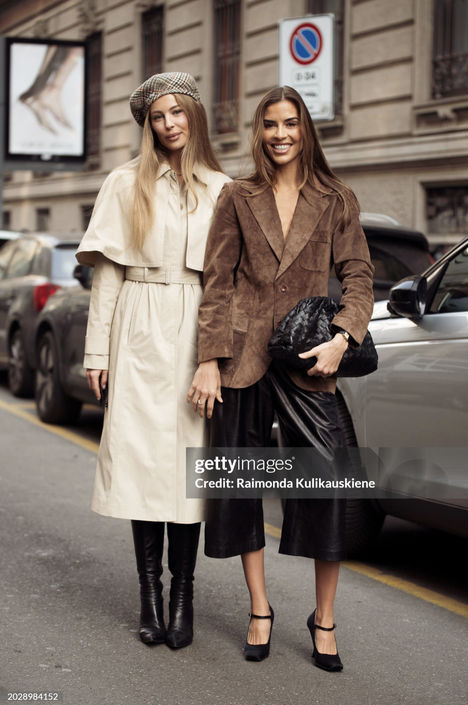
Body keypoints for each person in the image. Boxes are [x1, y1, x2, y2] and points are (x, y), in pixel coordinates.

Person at [188, 86, 374, 670]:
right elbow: (217, 282)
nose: (280, 134)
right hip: (243, 357)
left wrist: (342, 339)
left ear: (305, 129)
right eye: (270, 124)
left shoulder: (337, 197)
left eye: (290, 123)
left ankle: (324, 618)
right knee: (239, 487)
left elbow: (360, 275)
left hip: (306, 356)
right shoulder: (238, 196)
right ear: (258, 130)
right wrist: (209, 359)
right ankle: (260, 610)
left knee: (333, 484)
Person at [76, 72, 231, 649]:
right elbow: (108, 274)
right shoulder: (123, 183)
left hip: (194, 329)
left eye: (177, 112)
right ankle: (148, 593)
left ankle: (182, 594)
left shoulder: (222, 188)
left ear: (194, 115)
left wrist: (215, 356)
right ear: (149, 124)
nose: (169, 124)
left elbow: (227, 284)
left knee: (187, 472)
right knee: (144, 465)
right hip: (138, 327)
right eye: (158, 116)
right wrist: (98, 350)